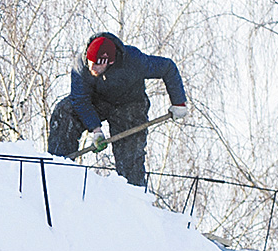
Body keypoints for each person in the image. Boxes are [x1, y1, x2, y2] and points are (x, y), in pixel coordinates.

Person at [48, 32, 188, 186]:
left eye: (97, 64)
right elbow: (80, 99)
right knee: (65, 112)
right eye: (90, 62)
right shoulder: (81, 66)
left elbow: (167, 68)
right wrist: (96, 130)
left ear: (110, 62)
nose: (91, 67)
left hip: (129, 105)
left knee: (130, 155)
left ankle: (133, 194)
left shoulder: (134, 61)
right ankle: (56, 170)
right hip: (98, 101)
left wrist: (178, 102)